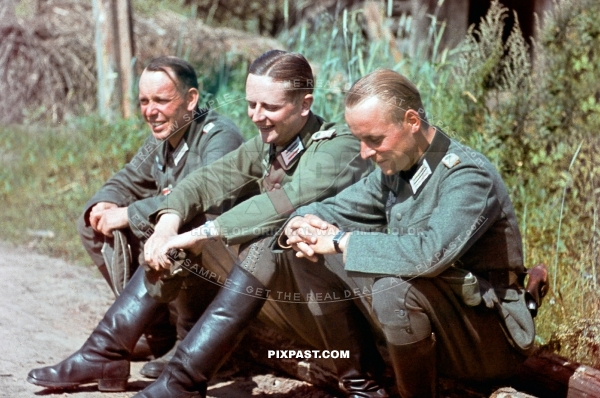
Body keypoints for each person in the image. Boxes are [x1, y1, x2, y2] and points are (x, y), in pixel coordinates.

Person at [27, 50, 384, 397]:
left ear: (305, 105)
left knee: (261, 245)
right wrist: (169, 222)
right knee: (191, 225)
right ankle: (108, 353)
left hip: (350, 300)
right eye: (251, 105)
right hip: (297, 292)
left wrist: (202, 234)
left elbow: (281, 203)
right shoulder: (270, 144)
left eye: (270, 107)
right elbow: (206, 180)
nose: (257, 117)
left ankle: (182, 376)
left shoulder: (340, 147)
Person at [282, 69, 536, 398]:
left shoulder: (467, 176)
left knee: (393, 288)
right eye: (359, 139)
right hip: (433, 318)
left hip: (487, 337)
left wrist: (341, 241)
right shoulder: (401, 165)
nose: (365, 153)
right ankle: (362, 385)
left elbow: (429, 254)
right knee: (309, 255)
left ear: (412, 121)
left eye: (374, 139)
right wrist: (301, 222)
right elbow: (338, 208)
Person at [25, 55, 243, 388]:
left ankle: (189, 344)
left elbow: (201, 198)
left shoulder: (218, 135)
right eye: (144, 101)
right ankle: (156, 332)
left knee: (182, 225)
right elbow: (128, 178)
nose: (150, 111)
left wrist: (128, 213)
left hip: (231, 262)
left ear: (191, 99)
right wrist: (104, 204)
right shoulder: (164, 137)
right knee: (92, 219)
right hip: (199, 262)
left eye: (161, 100)